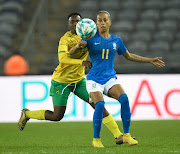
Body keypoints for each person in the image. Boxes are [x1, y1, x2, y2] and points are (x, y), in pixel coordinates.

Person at [18, 12, 125, 145]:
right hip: (62, 81)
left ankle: (118, 135)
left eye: (77, 22)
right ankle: (27, 114)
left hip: (79, 81)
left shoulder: (89, 35)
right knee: (57, 116)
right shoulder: (65, 39)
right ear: (68, 24)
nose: (75, 24)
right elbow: (62, 59)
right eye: (72, 22)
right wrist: (81, 62)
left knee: (98, 104)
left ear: (81, 23)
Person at [69, 11, 165, 148]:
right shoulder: (89, 38)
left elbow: (129, 56)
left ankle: (126, 135)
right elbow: (70, 54)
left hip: (109, 78)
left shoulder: (117, 40)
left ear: (110, 22)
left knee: (124, 99)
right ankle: (96, 139)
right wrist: (78, 46)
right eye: (99, 20)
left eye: (105, 20)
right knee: (100, 105)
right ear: (96, 23)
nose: (102, 23)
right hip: (94, 79)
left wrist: (149, 60)